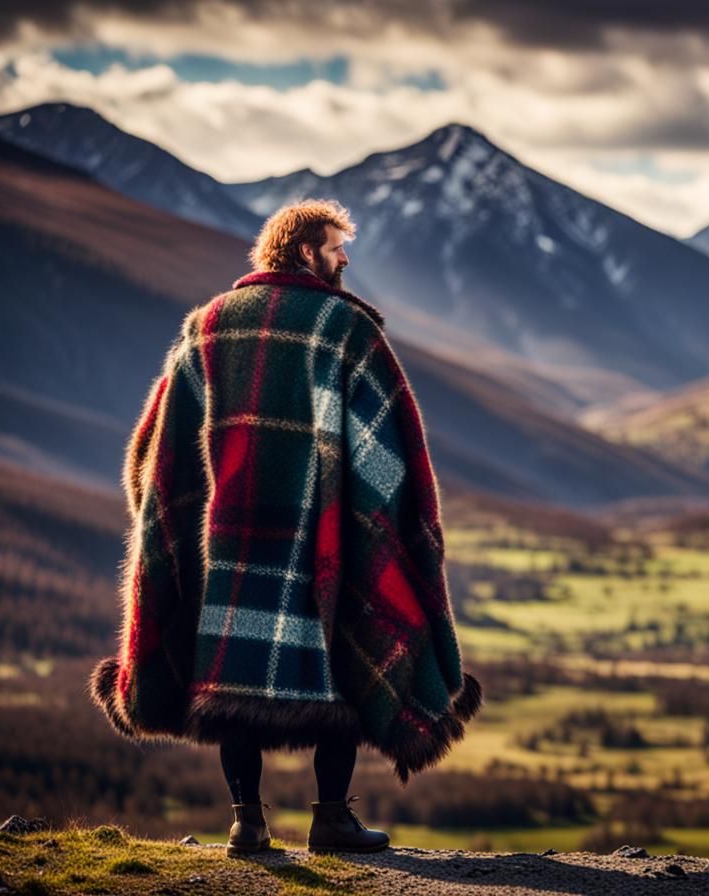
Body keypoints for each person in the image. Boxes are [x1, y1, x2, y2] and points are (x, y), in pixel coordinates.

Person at [90, 199, 481, 856]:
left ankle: (247, 823)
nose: (344, 259)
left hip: (227, 546)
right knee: (343, 669)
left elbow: (158, 450)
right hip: (323, 543)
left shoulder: (206, 327)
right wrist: (387, 530)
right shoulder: (345, 328)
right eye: (335, 247)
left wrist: (174, 525)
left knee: (233, 682)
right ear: (305, 252)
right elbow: (386, 453)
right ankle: (331, 821)